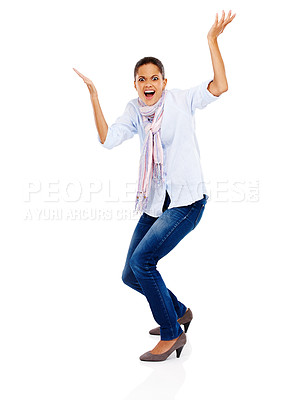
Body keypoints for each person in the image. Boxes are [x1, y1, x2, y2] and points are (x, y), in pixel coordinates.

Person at [74, 10, 236, 362]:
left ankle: (171, 333)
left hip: (186, 203)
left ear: (164, 82)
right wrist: (94, 96)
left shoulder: (181, 100)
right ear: (135, 84)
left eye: (155, 78)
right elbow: (106, 139)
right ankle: (177, 311)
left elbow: (220, 86)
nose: (149, 84)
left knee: (144, 261)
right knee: (130, 273)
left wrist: (212, 40)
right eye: (142, 79)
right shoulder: (135, 110)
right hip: (155, 204)